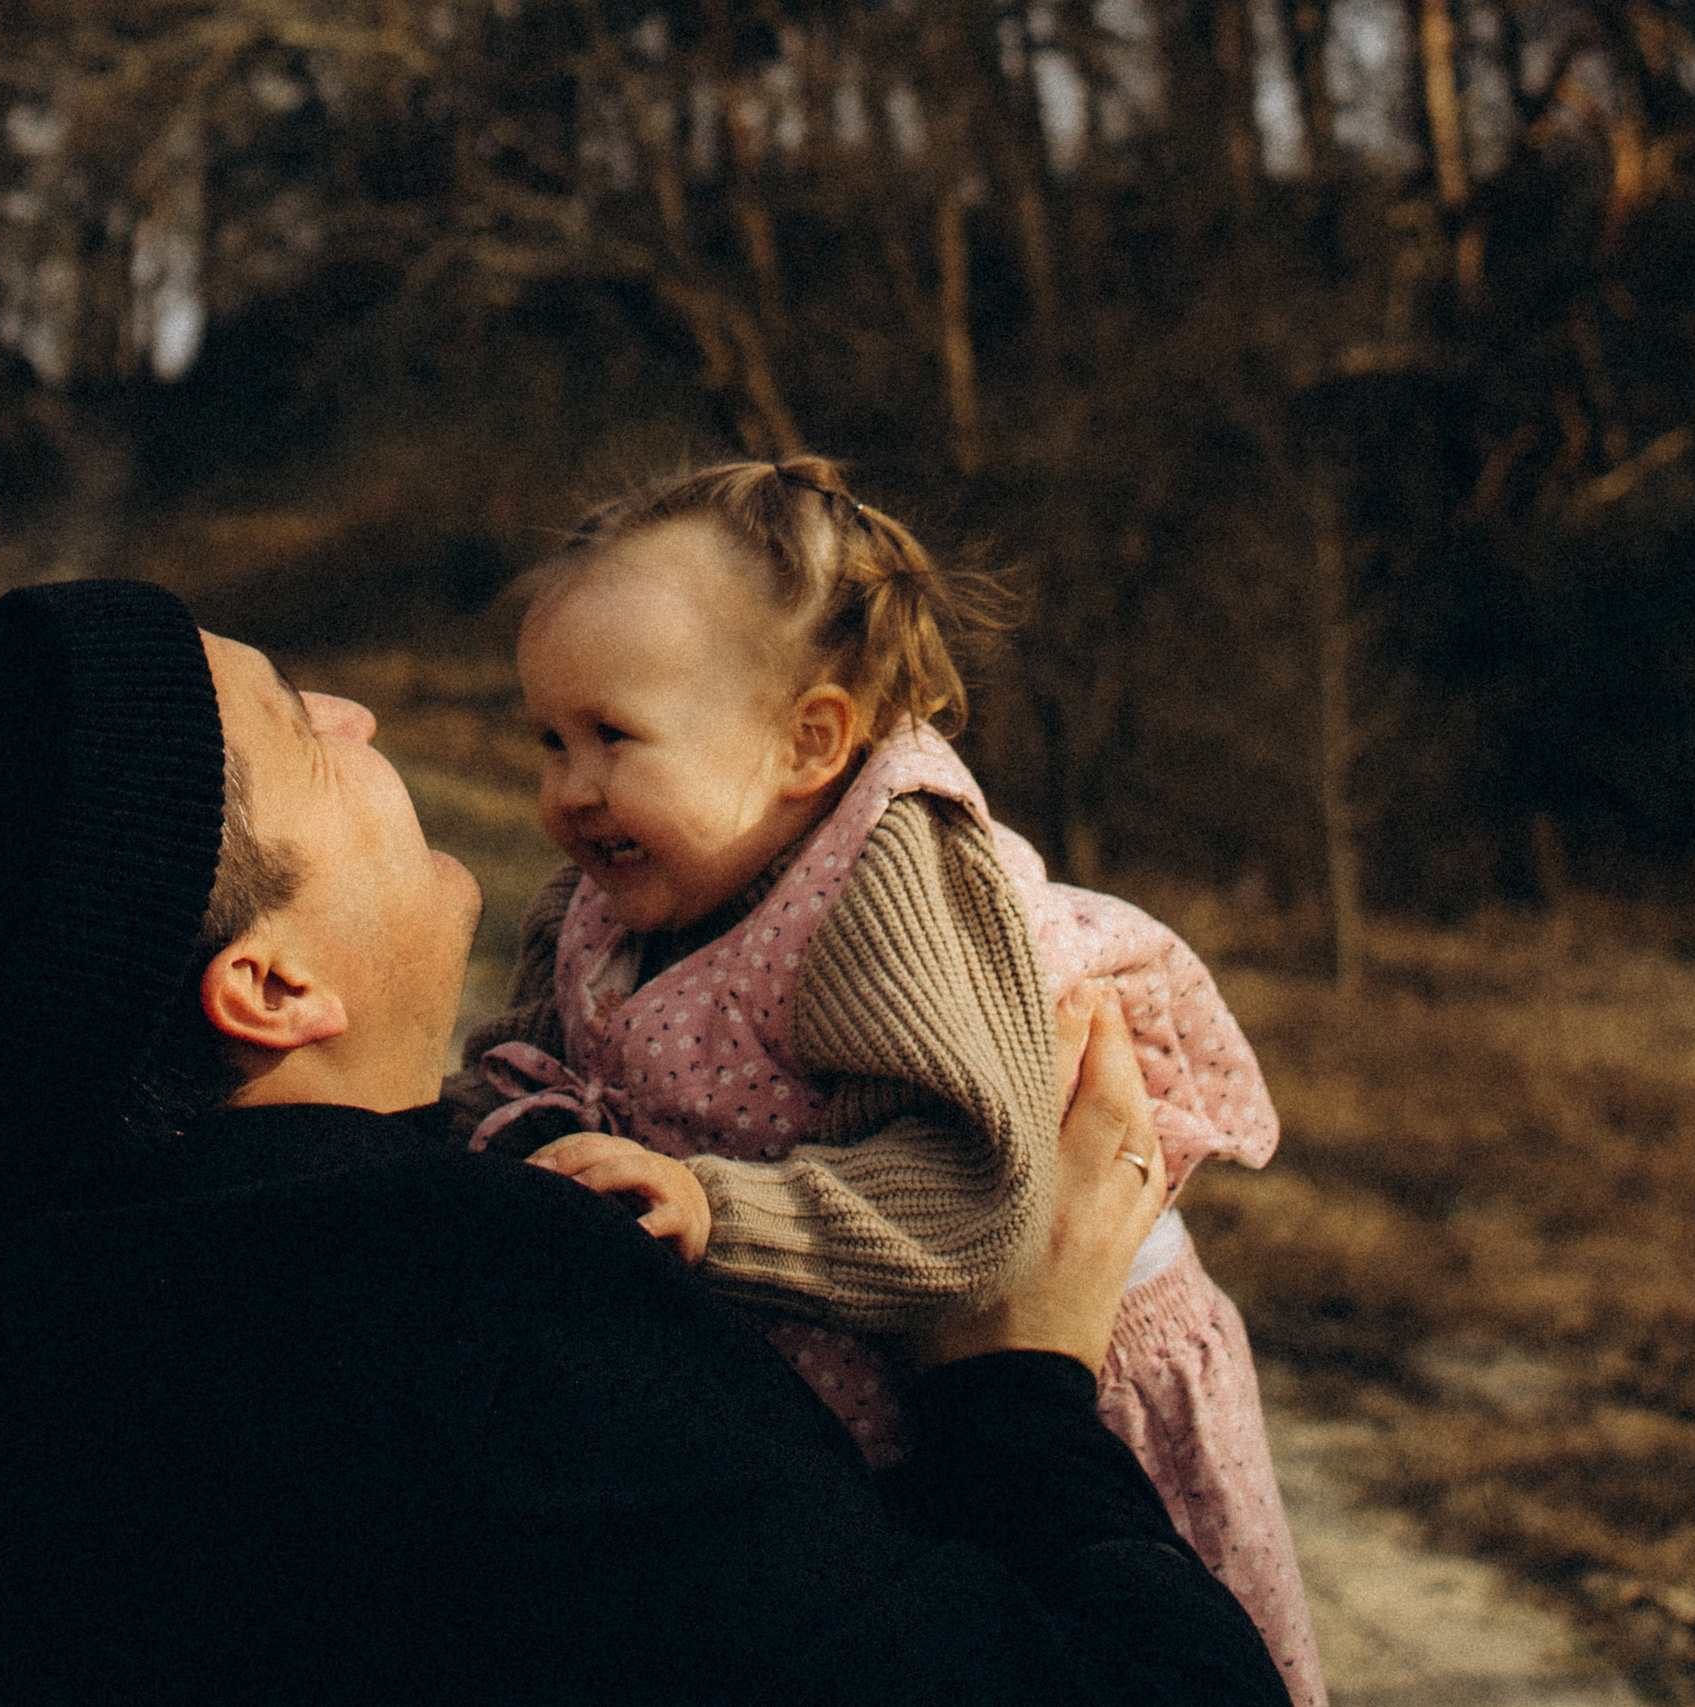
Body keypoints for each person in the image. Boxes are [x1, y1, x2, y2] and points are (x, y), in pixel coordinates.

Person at [0, 577, 1294, 1706]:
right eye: (297, 730)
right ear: (271, 986)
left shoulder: (6, 1284)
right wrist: (1013, 1383)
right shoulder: (478, 1313)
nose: (359, 716)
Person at [450, 457, 1323, 1706]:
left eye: (613, 738)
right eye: (546, 739)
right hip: (881, 1377)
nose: (566, 793)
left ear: (809, 741)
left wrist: (711, 1210)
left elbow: (973, 1188)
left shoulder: (887, 883)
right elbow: (526, 1060)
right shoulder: (613, 902)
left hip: (1057, 1375)